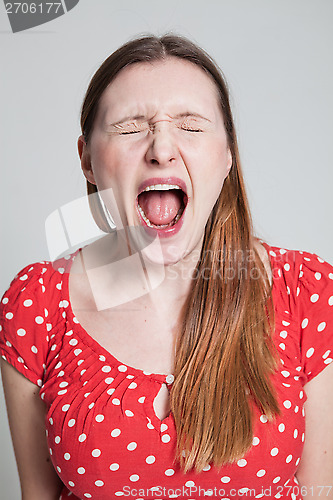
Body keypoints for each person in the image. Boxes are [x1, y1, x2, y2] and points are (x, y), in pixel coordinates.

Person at [0, 34, 332, 500]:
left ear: (228, 156)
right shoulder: (36, 305)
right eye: (131, 126)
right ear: (87, 159)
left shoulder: (306, 294)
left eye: (191, 126)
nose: (161, 148)